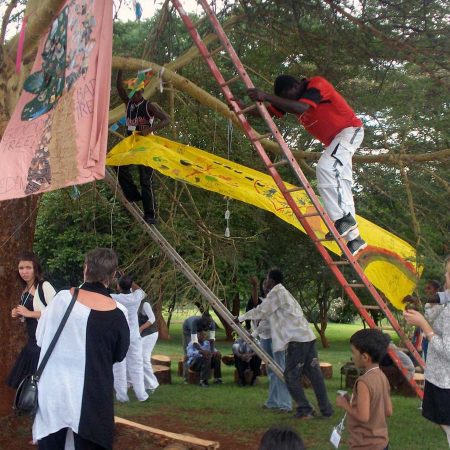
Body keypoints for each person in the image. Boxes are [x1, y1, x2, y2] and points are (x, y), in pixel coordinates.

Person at [245, 75, 366, 255]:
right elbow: (269, 112)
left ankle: (343, 220)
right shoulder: (293, 98)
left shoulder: (316, 84)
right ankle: (355, 239)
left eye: (289, 95)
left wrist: (266, 95)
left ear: (297, 85)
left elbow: (300, 107)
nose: (289, 100)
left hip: (349, 131)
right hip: (335, 141)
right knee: (343, 183)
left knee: (326, 168)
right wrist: (241, 106)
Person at [32, 248, 130, 449]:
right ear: (112, 276)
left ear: (85, 269)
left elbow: (40, 338)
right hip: (93, 399)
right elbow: (119, 354)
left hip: (54, 393)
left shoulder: (60, 299)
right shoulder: (119, 313)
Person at [239, 268, 333, 419]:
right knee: (315, 375)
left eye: (267, 278)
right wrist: (253, 332)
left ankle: (305, 409)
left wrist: (241, 318)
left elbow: (261, 311)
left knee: (290, 376)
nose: (265, 281)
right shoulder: (283, 293)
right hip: (307, 338)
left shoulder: (276, 293)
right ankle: (326, 410)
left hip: (297, 341)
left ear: (272, 281)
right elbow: (267, 319)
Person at [403, 255, 450, 447]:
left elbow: (448, 351)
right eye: (447, 272)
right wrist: (429, 305)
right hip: (439, 378)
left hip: (445, 382)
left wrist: (424, 326)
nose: (446, 277)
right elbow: (435, 317)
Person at [116, 69, 170, 224]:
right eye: (130, 93)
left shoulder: (148, 106)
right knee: (119, 165)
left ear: (139, 92)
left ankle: (150, 214)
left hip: (145, 143)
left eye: (134, 93)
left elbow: (166, 119)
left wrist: (150, 129)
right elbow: (119, 88)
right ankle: (132, 194)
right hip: (131, 141)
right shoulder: (129, 104)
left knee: (145, 180)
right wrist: (121, 71)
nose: (132, 95)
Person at [336, 329, 392, 450]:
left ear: (365, 357)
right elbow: (388, 411)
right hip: (382, 443)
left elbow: (363, 417)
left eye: (353, 352)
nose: (352, 357)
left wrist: (344, 404)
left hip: (365, 445)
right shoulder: (382, 376)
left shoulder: (363, 382)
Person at [6, 251, 56, 389]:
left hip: (43, 343)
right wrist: (19, 313)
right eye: (21, 268)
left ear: (35, 268)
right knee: (27, 383)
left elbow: (56, 312)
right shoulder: (25, 289)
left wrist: (29, 313)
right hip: (32, 341)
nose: (24, 271)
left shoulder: (44, 286)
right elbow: (29, 315)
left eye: (28, 267)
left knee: (37, 383)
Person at [251, 277, 292, 412]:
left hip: (277, 338)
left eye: (269, 285)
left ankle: (285, 404)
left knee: (280, 369)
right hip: (265, 338)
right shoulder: (264, 301)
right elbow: (255, 302)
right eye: (265, 284)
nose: (266, 287)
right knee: (271, 371)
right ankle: (273, 402)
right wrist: (255, 286)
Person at [111, 274, 148, 402]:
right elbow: (141, 291)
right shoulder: (136, 297)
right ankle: (141, 395)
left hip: (120, 335)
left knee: (118, 366)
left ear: (118, 287)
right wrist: (130, 281)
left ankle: (122, 396)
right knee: (137, 366)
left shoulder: (114, 298)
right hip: (134, 335)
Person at [182, 312, 216, 380]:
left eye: (209, 324)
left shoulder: (212, 323)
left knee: (205, 348)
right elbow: (194, 342)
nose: (208, 327)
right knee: (188, 352)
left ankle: (204, 374)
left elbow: (212, 340)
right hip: (188, 330)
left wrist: (211, 352)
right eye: (206, 325)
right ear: (202, 321)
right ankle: (186, 376)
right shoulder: (194, 322)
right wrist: (202, 351)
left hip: (199, 328)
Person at [138, 295, 159, 393]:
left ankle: (152, 384)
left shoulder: (145, 303)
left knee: (143, 358)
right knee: (137, 358)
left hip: (150, 334)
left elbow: (152, 318)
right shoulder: (135, 303)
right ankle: (142, 383)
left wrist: (141, 328)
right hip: (143, 335)